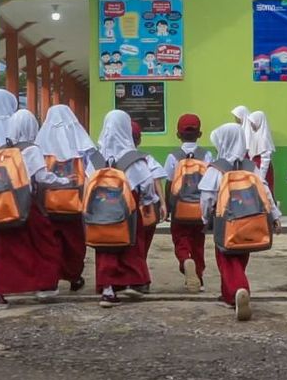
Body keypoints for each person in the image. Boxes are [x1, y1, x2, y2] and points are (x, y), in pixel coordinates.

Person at [0, 107, 71, 311]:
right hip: (27, 207)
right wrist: (65, 181)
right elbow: (42, 178)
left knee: (0, 252)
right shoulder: (32, 149)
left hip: (2, 207)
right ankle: (44, 286)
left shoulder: (1, 151)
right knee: (45, 244)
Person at [200, 123, 281, 320]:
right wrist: (275, 216)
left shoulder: (217, 168)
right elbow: (265, 192)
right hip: (250, 220)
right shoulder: (250, 167)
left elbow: (207, 197)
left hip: (226, 222)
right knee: (241, 257)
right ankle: (228, 295)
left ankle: (239, 290)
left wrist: (204, 217)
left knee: (226, 259)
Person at [89, 110, 159, 307]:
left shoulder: (96, 158)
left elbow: (87, 183)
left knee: (104, 247)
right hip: (128, 210)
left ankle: (108, 289)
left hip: (101, 210)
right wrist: (148, 201)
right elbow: (146, 183)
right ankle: (131, 281)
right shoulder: (133, 158)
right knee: (131, 244)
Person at [35, 104, 96, 293]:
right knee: (75, 243)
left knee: (49, 243)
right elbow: (92, 172)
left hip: (47, 204)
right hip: (74, 204)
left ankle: (50, 279)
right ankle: (74, 277)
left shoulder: (40, 143)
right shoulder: (81, 142)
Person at [163, 113, 213, 292]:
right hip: (199, 209)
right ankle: (198, 277)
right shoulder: (206, 155)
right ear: (200, 134)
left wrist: (168, 208)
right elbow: (210, 184)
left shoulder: (173, 157)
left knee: (180, 240)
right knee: (198, 243)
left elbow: (169, 183)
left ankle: (185, 261)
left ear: (178, 134)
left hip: (180, 209)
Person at [132, 120, 168, 293]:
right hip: (145, 209)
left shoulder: (104, 157)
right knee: (142, 246)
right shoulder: (145, 158)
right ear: (139, 140)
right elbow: (156, 179)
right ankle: (139, 277)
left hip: (115, 211)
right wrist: (162, 203)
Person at [246, 110, 276, 195]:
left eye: (253, 122)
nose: (251, 125)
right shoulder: (255, 135)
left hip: (262, 169)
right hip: (256, 167)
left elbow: (265, 159)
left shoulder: (263, 138)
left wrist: (262, 177)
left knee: (264, 191)